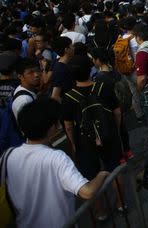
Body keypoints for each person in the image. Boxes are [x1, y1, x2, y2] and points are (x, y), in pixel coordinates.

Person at [6, 98, 109, 228]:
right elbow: (87, 191)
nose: (59, 126)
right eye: (57, 123)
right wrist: (102, 175)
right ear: (50, 128)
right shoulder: (56, 158)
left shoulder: (9, 156)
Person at [62, 55, 124, 218]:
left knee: (91, 176)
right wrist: (115, 129)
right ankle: (121, 203)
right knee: (115, 169)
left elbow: (68, 125)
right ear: (91, 69)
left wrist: (74, 144)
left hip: (85, 141)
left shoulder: (68, 98)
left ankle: (101, 211)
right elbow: (117, 112)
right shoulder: (104, 87)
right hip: (109, 135)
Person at [50, 36, 74, 103]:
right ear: (66, 49)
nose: (74, 48)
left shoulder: (62, 64)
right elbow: (55, 96)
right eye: (72, 46)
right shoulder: (60, 69)